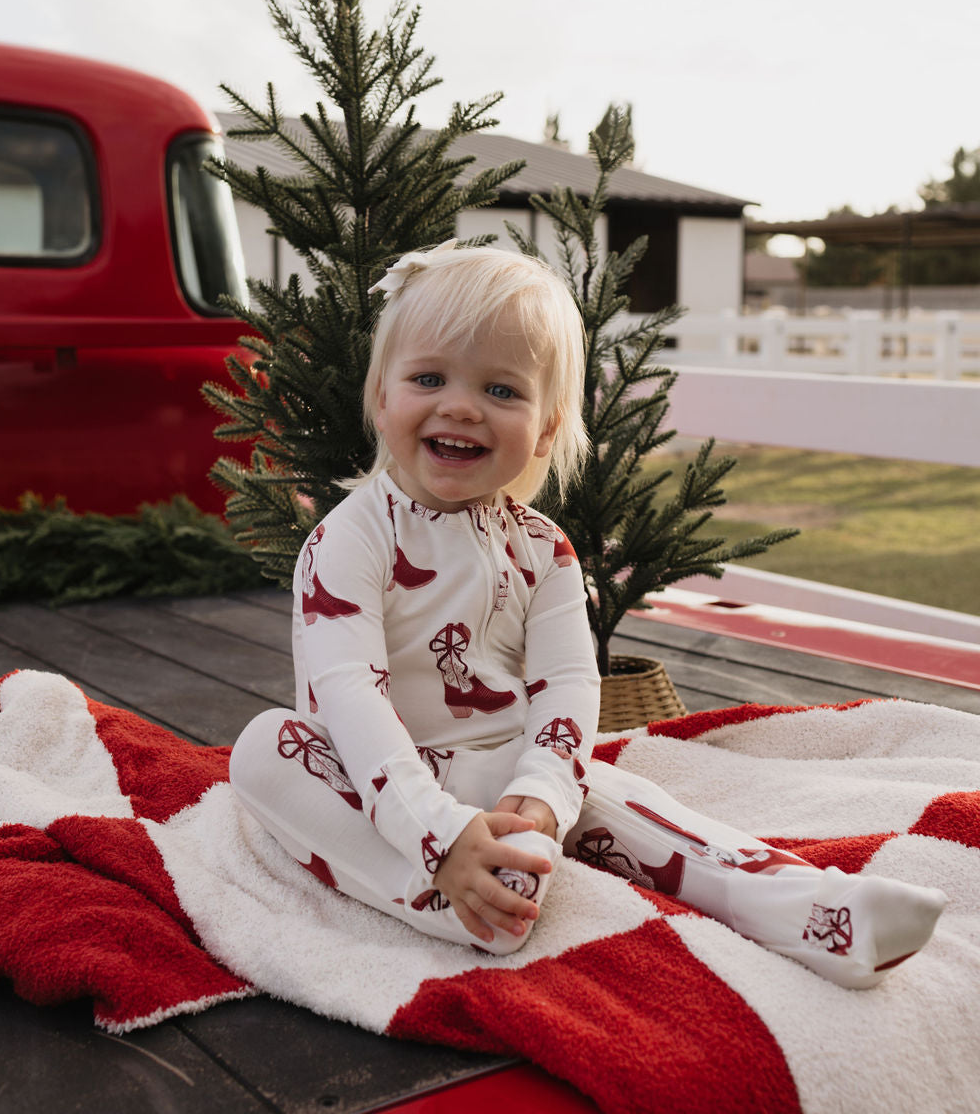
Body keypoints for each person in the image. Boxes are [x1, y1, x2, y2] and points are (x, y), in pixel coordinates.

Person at [230, 242, 946, 988]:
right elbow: (351, 697)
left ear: (544, 430)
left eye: (502, 390)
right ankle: (455, 899)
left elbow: (569, 685)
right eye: (429, 378)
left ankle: (814, 910)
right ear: (382, 396)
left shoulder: (545, 551)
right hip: (372, 779)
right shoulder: (350, 538)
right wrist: (439, 833)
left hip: (503, 772)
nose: (462, 405)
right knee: (263, 749)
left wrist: (541, 794)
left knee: (628, 803)